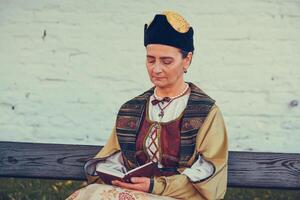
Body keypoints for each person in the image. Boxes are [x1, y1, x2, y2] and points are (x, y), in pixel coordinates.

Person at [67, 11, 228, 200]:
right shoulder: (132, 109)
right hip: (136, 193)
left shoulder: (206, 112)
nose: (156, 69)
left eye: (166, 61)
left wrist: (154, 186)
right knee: (88, 195)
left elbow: (209, 171)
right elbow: (113, 158)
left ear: (187, 60)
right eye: (150, 60)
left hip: (181, 197)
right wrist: (119, 177)